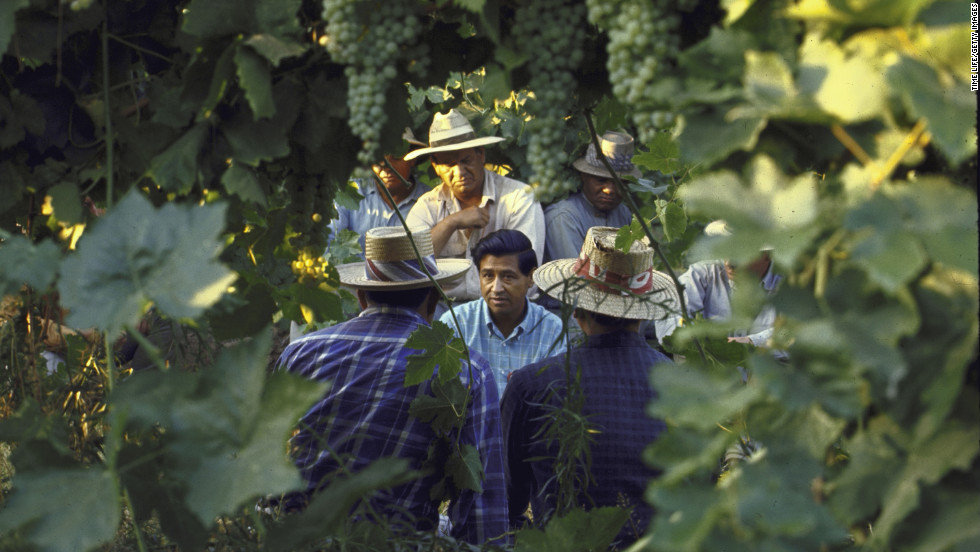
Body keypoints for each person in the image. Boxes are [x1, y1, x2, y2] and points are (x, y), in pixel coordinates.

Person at [276, 226, 508, 544]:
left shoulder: (299, 353)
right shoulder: (467, 370)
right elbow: (481, 505)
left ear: (361, 295)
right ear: (435, 296)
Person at [499, 226, 679, 546]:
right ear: (642, 313)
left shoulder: (530, 386)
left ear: (577, 310)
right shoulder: (684, 389)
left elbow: (506, 500)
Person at [405, 109, 545, 302]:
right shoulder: (426, 207)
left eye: (466, 160)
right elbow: (409, 267)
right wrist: (450, 223)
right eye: (449, 164)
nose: (460, 172)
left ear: (481, 155)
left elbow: (528, 275)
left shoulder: (519, 198)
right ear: (435, 166)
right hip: (442, 312)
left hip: (505, 309)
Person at [439, 229, 566, 397]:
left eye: (508, 277)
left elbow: (556, 399)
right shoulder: (455, 324)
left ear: (531, 277)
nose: (496, 288)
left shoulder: (551, 330)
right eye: (488, 276)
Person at [542, 130, 640, 264]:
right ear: (584, 176)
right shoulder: (564, 218)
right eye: (601, 180)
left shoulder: (623, 213)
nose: (609, 190)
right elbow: (574, 279)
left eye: (619, 183)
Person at [329, 128, 429, 254]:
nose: (386, 167)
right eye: (378, 159)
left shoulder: (431, 201)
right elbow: (329, 238)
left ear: (412, 159)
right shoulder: (350, 194)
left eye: (396, 158)